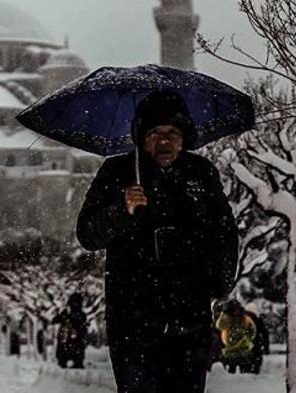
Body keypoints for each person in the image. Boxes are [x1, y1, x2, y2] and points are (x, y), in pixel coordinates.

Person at [76, 91, 240, 393]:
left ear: (184, 137)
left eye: (172, 133)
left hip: (189, 321)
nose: (164, 142)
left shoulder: (201, 174)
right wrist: (120, 210)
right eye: (154, 133)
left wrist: (219, 284)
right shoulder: (118, 172)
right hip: (133, 322)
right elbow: (87, 234)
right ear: (141, 136)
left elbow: (225, 234)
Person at [215, 300, 256, 374]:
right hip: (234, 348)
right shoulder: (227, 318)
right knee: (235, 370)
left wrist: (247, 339)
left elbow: (252, 331)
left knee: (240, 371)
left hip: (239, 348)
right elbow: (219, 326)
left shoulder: (244, 319)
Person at [52, 292, 88, 369]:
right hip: (73, 339)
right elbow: (83, 327)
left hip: (68, 339)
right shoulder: (80, 314)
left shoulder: (68, 313)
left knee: (66, 354)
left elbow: (55, 320)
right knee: (75, 354)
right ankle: (75, 363)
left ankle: (69, 363)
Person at [244, 308, 268, 374]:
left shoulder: (241, 318)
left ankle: (246, 368)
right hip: (254, 340)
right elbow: (264, 332)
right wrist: (266, 347)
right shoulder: (256, 319)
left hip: (246, 340)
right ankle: (254, 369)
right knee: (256, 355)